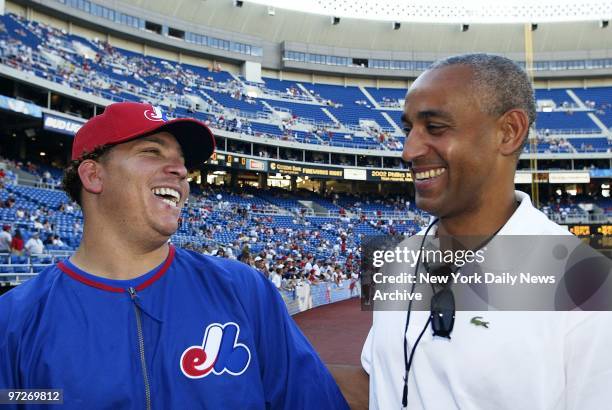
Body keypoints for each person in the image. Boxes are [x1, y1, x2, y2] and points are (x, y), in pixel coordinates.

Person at [0, 102, 348, 409]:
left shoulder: (244, 290)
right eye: (152, 152)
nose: (181, 171)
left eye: (182, 163)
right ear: (93, 175)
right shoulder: (15, 320)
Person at [358, 54, 612, 409]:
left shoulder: (587, 286)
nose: (408, 151)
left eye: (435, 128)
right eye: (408, 130)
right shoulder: (399, 261)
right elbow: (381, 383)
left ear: (508, 132)